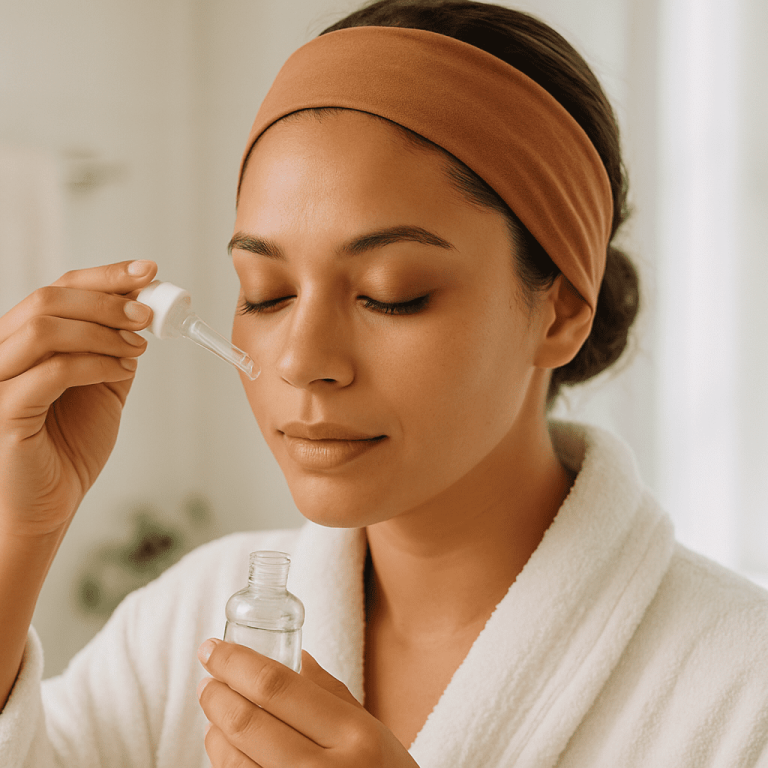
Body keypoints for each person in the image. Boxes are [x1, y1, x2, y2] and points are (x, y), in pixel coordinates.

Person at [1, 1, 767, 766]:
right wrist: (18, 530)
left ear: (560, 310)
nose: (302, 360)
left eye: (390, 292)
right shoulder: (187, 623)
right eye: (266, 292)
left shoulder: (740, 690)